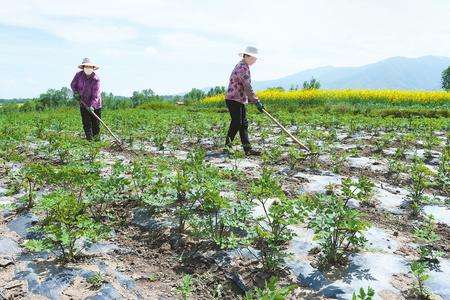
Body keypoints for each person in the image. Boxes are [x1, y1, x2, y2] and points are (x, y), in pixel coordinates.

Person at [225, 46, 264, 156]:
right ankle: (227, 146)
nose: (255, 60)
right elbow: (247, 86)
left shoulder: (243, 65)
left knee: (243, 124)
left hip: (239, 99)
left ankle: (247, 149)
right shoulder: (242, 67)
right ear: (247, 56)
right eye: (254, 57)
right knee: (237, 122)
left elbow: (244, 87)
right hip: (233, 98)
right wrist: (256, 101)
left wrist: (253, 100)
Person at [70, 58, 102, 141]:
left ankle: (97, 142)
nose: (88, 68)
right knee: (86, 123)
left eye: (90, 67)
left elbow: (96, 95)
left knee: (95, 124)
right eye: (86, 66)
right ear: (83, 67)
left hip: (95, 105)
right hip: (83, 103)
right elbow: (73, 84)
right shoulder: (79, 75)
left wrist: (92, 106)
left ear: (92, 68)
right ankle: (89, 142)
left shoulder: (96, 79)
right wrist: (76, 93)